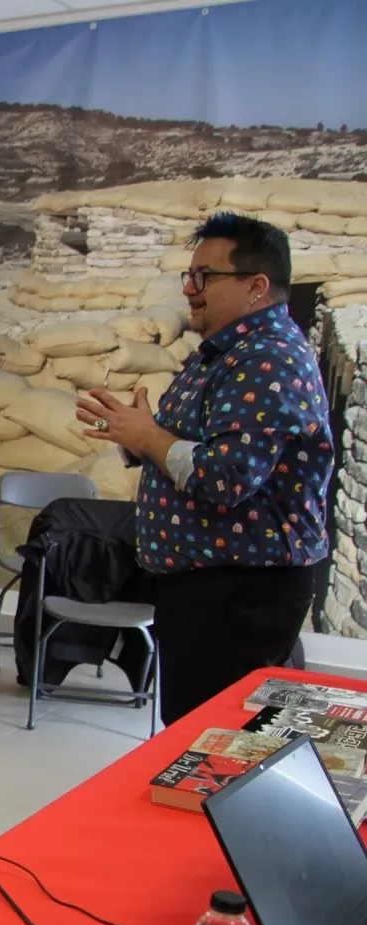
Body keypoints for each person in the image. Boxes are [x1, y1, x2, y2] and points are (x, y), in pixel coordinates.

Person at [77, 212, 333, 726]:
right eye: (188, 276)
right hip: (210, 588)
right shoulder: (222, 352)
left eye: (205, 277)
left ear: (256, 286)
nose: (190, 290)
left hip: (238, 593)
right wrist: (136, 434)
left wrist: (147, 436)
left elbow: (226, 477)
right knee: (195, 738)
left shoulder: (268, 358)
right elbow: (181, 445)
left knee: (211, 745)